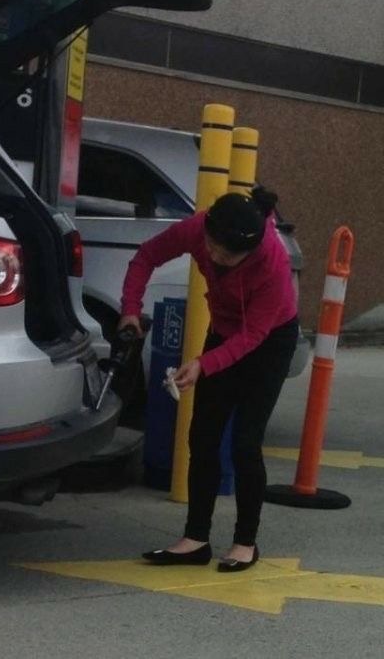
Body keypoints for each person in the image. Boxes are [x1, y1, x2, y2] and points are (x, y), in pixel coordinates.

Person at [118, 186, 298, 572]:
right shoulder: (198, 229)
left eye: (228, 256)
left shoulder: (272, 264)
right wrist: (130, 310)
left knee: (246, 442)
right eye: (213, 247)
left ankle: (245, 542)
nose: (215, 258)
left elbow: (253, 337)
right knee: (203, 435)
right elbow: (146, 255)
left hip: (269, 342)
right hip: (224, 331)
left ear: (249, 251)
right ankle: (195, 538)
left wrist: (203, 364)